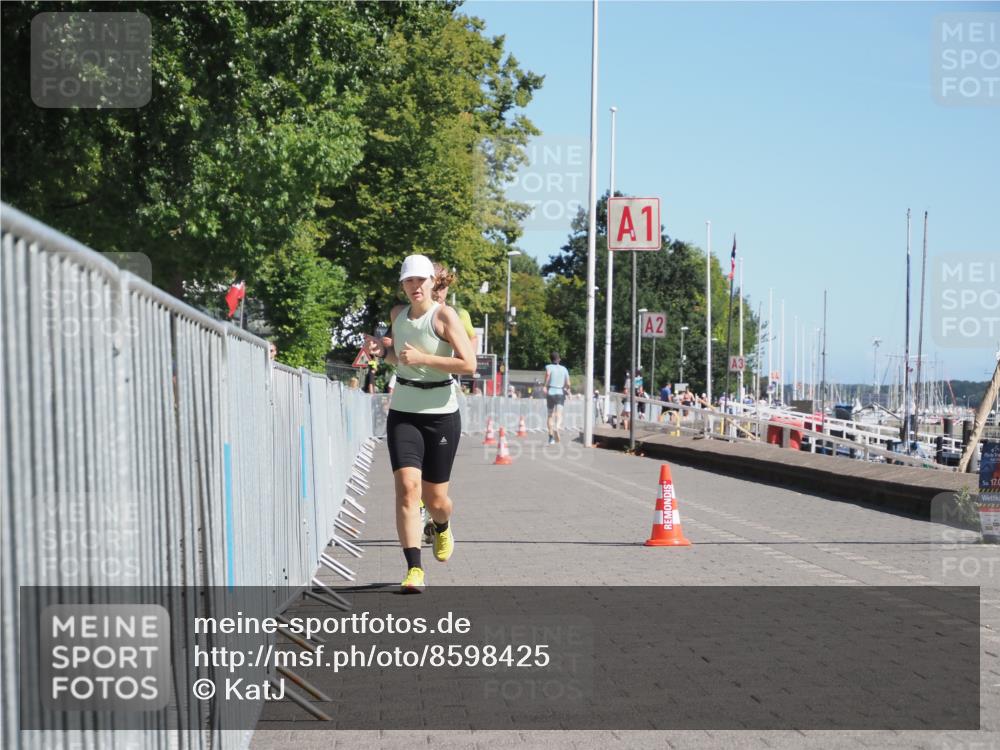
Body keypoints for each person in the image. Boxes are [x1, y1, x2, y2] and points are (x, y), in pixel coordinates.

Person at [364, 254, 476, 594]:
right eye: (408, 281)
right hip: (404, 411)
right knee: (407, 488)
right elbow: (399, 358)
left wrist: (424, 358)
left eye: (420, 280)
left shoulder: (444, 316)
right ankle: (414, 569)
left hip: (441, 414)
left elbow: (468, 364)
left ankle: (442, 524)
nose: (415, 286)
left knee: (436, 499)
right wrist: (381, 352)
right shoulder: (397, 315)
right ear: (403, 284)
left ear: (431, 282)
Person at [543, 352, 571, 444]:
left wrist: (545, 386)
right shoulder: (564, 369)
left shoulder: (548, 367)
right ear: (559, 359)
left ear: (550, 359)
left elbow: (548, 375)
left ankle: (551, 437)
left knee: (550, 415)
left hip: (551, 392)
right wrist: (567, 389)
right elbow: (568, 383)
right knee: (559, 414)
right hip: (560, 392)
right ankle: (557, 426)